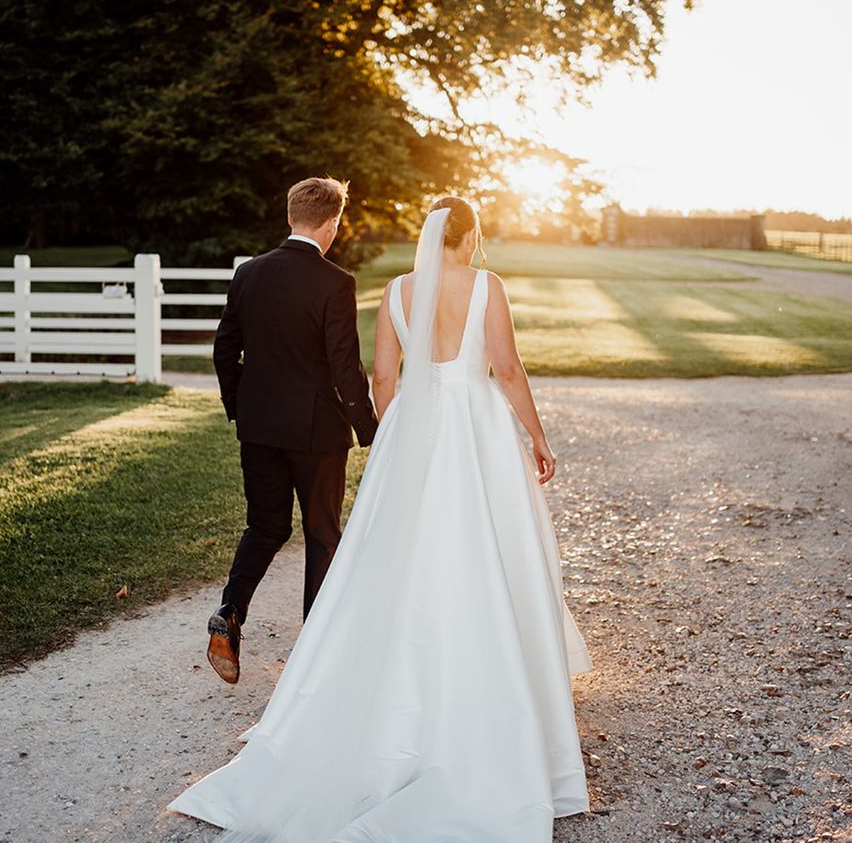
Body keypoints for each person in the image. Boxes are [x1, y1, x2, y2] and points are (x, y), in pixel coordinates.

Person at [170, 196, 592, 842]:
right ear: (471, 235)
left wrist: (398, 438)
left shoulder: (396, 290)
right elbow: (505, 368)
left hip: (413, 434)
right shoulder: (488, 285)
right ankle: (496, 685)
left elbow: (384, 380)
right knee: (488, 547)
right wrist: (538, 437)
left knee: (400, 555)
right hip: (475, 429)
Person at [207, 176, 378, 684]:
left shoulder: (249, 274)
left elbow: (223, 350)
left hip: (258, 428)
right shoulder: (335, 282)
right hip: (317, 433)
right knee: (322, 533)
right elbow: (345, 368)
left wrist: (242, 408)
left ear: (289, 216)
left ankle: (229, 612)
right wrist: (369, 429)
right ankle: (316, 650)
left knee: (265, 527)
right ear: (333, 223)